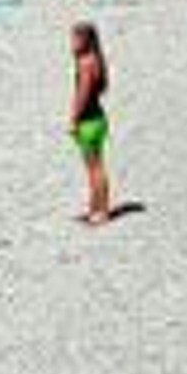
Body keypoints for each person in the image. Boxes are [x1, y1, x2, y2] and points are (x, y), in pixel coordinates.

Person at [70, 22, 112, 225]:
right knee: (96, 166)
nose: (72, 43)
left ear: (85, 41)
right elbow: (101, 89)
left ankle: (101, 211)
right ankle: (96, 208)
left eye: (75, 39)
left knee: (94, 168)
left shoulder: (85, 63)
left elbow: (83, 94)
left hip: (89, 121)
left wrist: (73, 119)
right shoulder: (98, 60)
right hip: (99, 118)